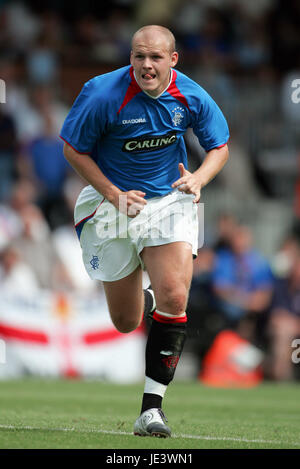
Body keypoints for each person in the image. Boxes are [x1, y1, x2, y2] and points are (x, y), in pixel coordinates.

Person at [60, 25, 229, 438]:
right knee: (125, 320)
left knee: (175, 295)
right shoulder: (102, 94)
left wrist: (201, 178)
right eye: (139, 56)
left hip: (170, 201)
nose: (146, 65)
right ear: (130, 57)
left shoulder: (191, 95)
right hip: (113, 206)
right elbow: (73, 149)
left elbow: (219, 147)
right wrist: (114, 194)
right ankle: (143, 298)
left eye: (155, 57)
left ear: (173, 60)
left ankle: (151, 410)